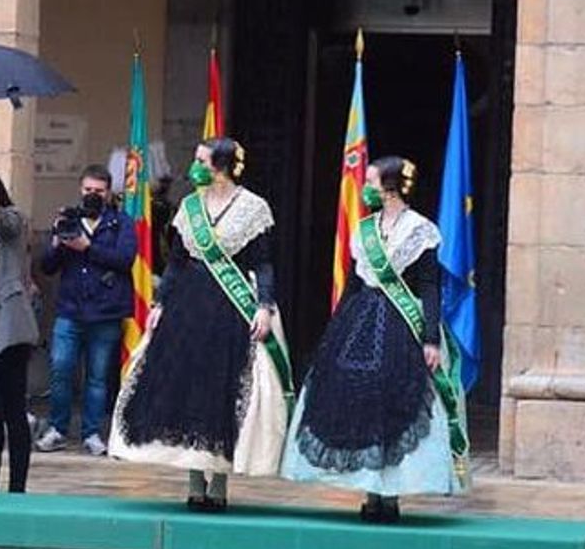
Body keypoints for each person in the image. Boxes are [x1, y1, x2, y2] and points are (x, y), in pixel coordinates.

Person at [281, 156, 468, 522]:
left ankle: (392, 493)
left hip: (403, 328)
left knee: (397, 405)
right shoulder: (364, 229)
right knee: (363, 406)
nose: (365, 185)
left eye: (370, 180)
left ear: (391, 185)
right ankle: (370, 491)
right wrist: (335, 331)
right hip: (361, 322)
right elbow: (354, 283)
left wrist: (430, 338)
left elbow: (430, 287)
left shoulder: (421, 230)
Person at [111, 138, 289, 511]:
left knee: (220, 391)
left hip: (231, 309)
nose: (194, 166)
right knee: (188, 389)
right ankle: (194, 481)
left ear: (220, 165)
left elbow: (264, 263)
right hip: (188, 307)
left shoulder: (253, 208)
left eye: (201, 160)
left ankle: (219, 482)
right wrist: (160, 302)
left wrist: (265, 306)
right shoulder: (190, 208)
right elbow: (175, 262)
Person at [35, 164, 137, 456]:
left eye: (99, 191)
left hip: (105, 312)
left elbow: (125, 259)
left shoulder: (121, 222)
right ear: (80, 190)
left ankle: (92, 433)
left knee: (97, 377)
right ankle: (58, 429)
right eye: (88, 190)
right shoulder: (69, 219)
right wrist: (58, 240)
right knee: (61, 370)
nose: (92, 195)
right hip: (70, 309)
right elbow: (47, 265)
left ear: (108, 193)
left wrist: (86, 247)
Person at [0, 168, 40, 493]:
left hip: (11, 326)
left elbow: (9, 225)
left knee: (13, 409)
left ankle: (18, 486)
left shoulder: (12, 217)